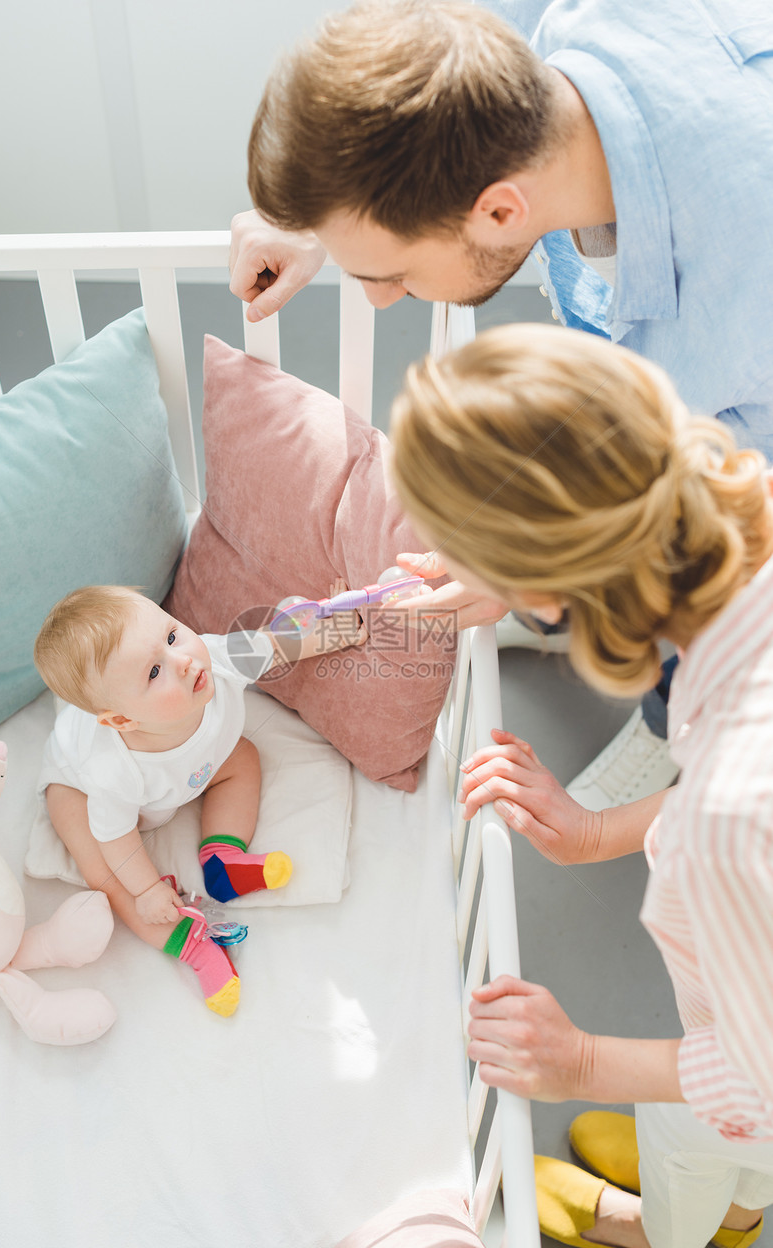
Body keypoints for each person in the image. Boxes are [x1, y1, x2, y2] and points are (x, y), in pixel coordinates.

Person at [228, 0, 773, 812]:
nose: (380, 302)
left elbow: (729, 528)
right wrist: (332, 221)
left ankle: (668, 720)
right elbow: (423, 79)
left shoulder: (744, 284)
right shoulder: (533, 58)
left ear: (500, 211)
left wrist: (555, 569)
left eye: (395, 273)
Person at [389, 322, 773, 1248]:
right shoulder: (738, 553)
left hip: (739, 1080)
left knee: (698, 1143)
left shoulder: (728, 813)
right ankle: (741, 1209)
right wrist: (599, 831)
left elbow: (758, 1080)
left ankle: (669, 1234)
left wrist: (586, 1061)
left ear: (549, 590)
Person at [33, 584, 365, 1017]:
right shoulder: (110, 771)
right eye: (154, 673)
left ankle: (224, 862)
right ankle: (194, 947)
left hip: (188, 777)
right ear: (122, 720)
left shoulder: (219, 660)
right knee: (106, 873)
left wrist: (340, 630)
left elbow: (279, 643)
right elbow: (115, 837)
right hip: (79, 792)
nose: (184, 660)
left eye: (172, 637)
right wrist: (149, 889)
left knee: (242, 755)